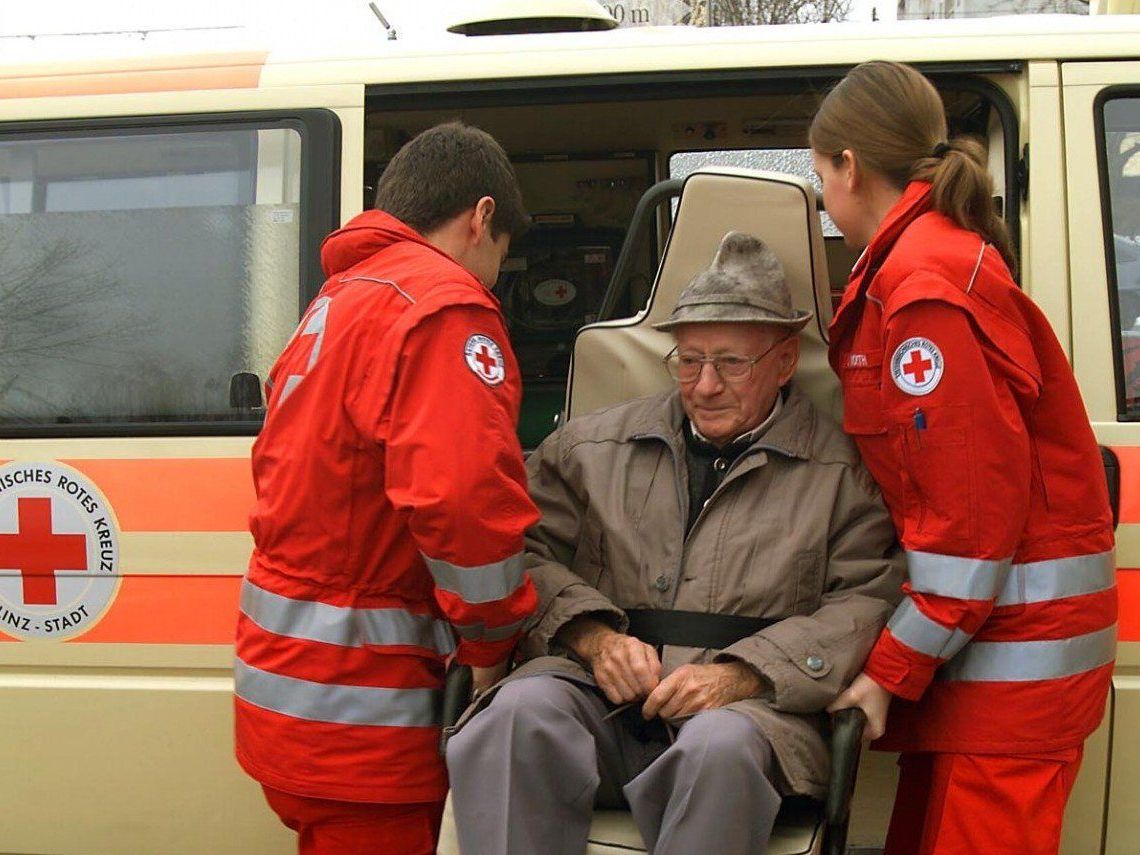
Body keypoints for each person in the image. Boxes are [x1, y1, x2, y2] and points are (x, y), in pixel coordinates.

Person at [446, 231, 903, 855]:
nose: (705, 385)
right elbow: (525, 555)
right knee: (512, 720)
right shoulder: (587, 451)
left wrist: (744, 674)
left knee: (718, 750)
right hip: (597, 699)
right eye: (689, 361)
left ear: (787, 361)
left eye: (731, 364)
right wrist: (593, 637)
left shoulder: (843, 473)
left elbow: (866, 600)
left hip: (753, 719)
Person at [812, 61, 1117, 855]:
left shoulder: (924, 289)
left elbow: (966, 525)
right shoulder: (923, 265)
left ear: (849, 166)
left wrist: (885, 672)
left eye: (819, 175)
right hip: (987, 669)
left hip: (1010, 676)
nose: (822, 198)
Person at [233, 121, 540, 854]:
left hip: (291, 693)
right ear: (482, 217)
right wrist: (494, 634)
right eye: (500, 257)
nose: (494, 277)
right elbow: (463, 502)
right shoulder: (442, 306)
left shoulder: (341, 299)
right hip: (364, 715)